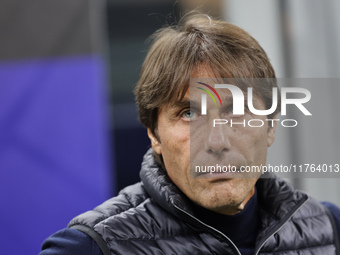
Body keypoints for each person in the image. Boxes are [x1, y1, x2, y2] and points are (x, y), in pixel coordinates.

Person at [40, 13, 340, 255]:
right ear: (154, 135)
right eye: (188, 114)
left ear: (271, 125)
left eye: (236, 111)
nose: (217, 142)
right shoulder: (93, 247)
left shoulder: (329, 229)